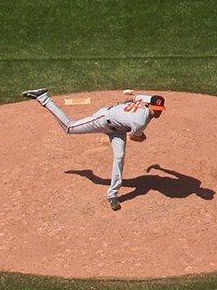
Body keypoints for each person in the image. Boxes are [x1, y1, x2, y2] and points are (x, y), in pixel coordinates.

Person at [20, 88, 167, 210]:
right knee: (69, 127)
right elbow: (134, 138)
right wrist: (141, 135)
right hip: (104, 120)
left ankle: (113, 195)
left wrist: (123, 108)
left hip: (118, 128)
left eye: (160, 110)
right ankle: (44, 98)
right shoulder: (140, 120)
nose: (158, 112)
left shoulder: (147, 99)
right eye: (156, 109)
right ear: (150, 105)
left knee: (120, 156)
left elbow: (130, 97)